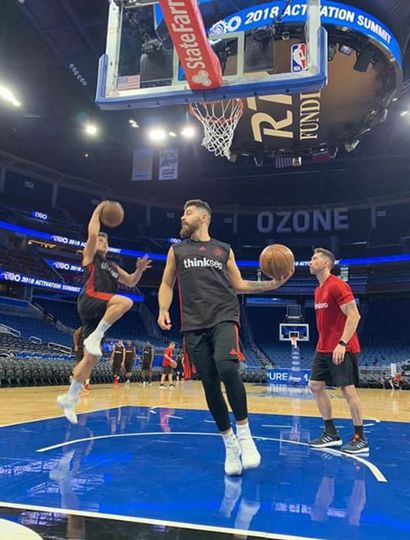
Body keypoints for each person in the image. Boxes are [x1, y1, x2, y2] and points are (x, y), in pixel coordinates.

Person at [157, 199, 292, 476]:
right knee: (209, 384)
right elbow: (166, 283)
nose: (183, 217)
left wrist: (272, 284)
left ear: (204, 218)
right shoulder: (177, 250)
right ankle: (229, 443)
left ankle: (245, 434)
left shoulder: (224, 250)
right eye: (183, 213)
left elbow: (240, 285)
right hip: (193, 323)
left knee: (228, 368)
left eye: (188, 213)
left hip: (224, 316)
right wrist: (161, 308)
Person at [57, 201, 152, 424]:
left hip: (101, 311)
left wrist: (138, 269)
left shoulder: (112, 266)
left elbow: (130, 281)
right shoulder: (90, 256)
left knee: (91, 359)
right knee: (126, 302)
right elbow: (91, 233)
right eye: (99, 239)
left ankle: (70, 398)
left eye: (104, 240)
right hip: (91, 299)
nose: (100, 241)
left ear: (108, 246)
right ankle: (96, 337)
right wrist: (99, 209)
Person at [308, 247, 368, 455]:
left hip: (343, 346)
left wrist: (342, 343)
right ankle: (331, 433)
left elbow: (354, 315)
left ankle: (360, 437)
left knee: (348, 391)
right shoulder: (318, 290)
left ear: (326, 263)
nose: (310, 262)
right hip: (323, 347)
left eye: (314, 259)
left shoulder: (338, 285)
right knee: (315, 385)